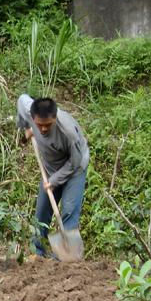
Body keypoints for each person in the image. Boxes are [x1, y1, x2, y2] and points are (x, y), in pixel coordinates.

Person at [17, 94, 89, 259]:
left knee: (69, 211)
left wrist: (54, 181)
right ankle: (38, 253)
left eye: (48, 125)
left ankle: (65, 259)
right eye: (39, 125)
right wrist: (26, 128)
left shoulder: (68, 132)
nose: (43, 129)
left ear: (55, 118)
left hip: (74, 170)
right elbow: (21, 99)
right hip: (50, 169)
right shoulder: (29, 110)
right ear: (33, 117)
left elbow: (75, 162)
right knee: (41, 214)